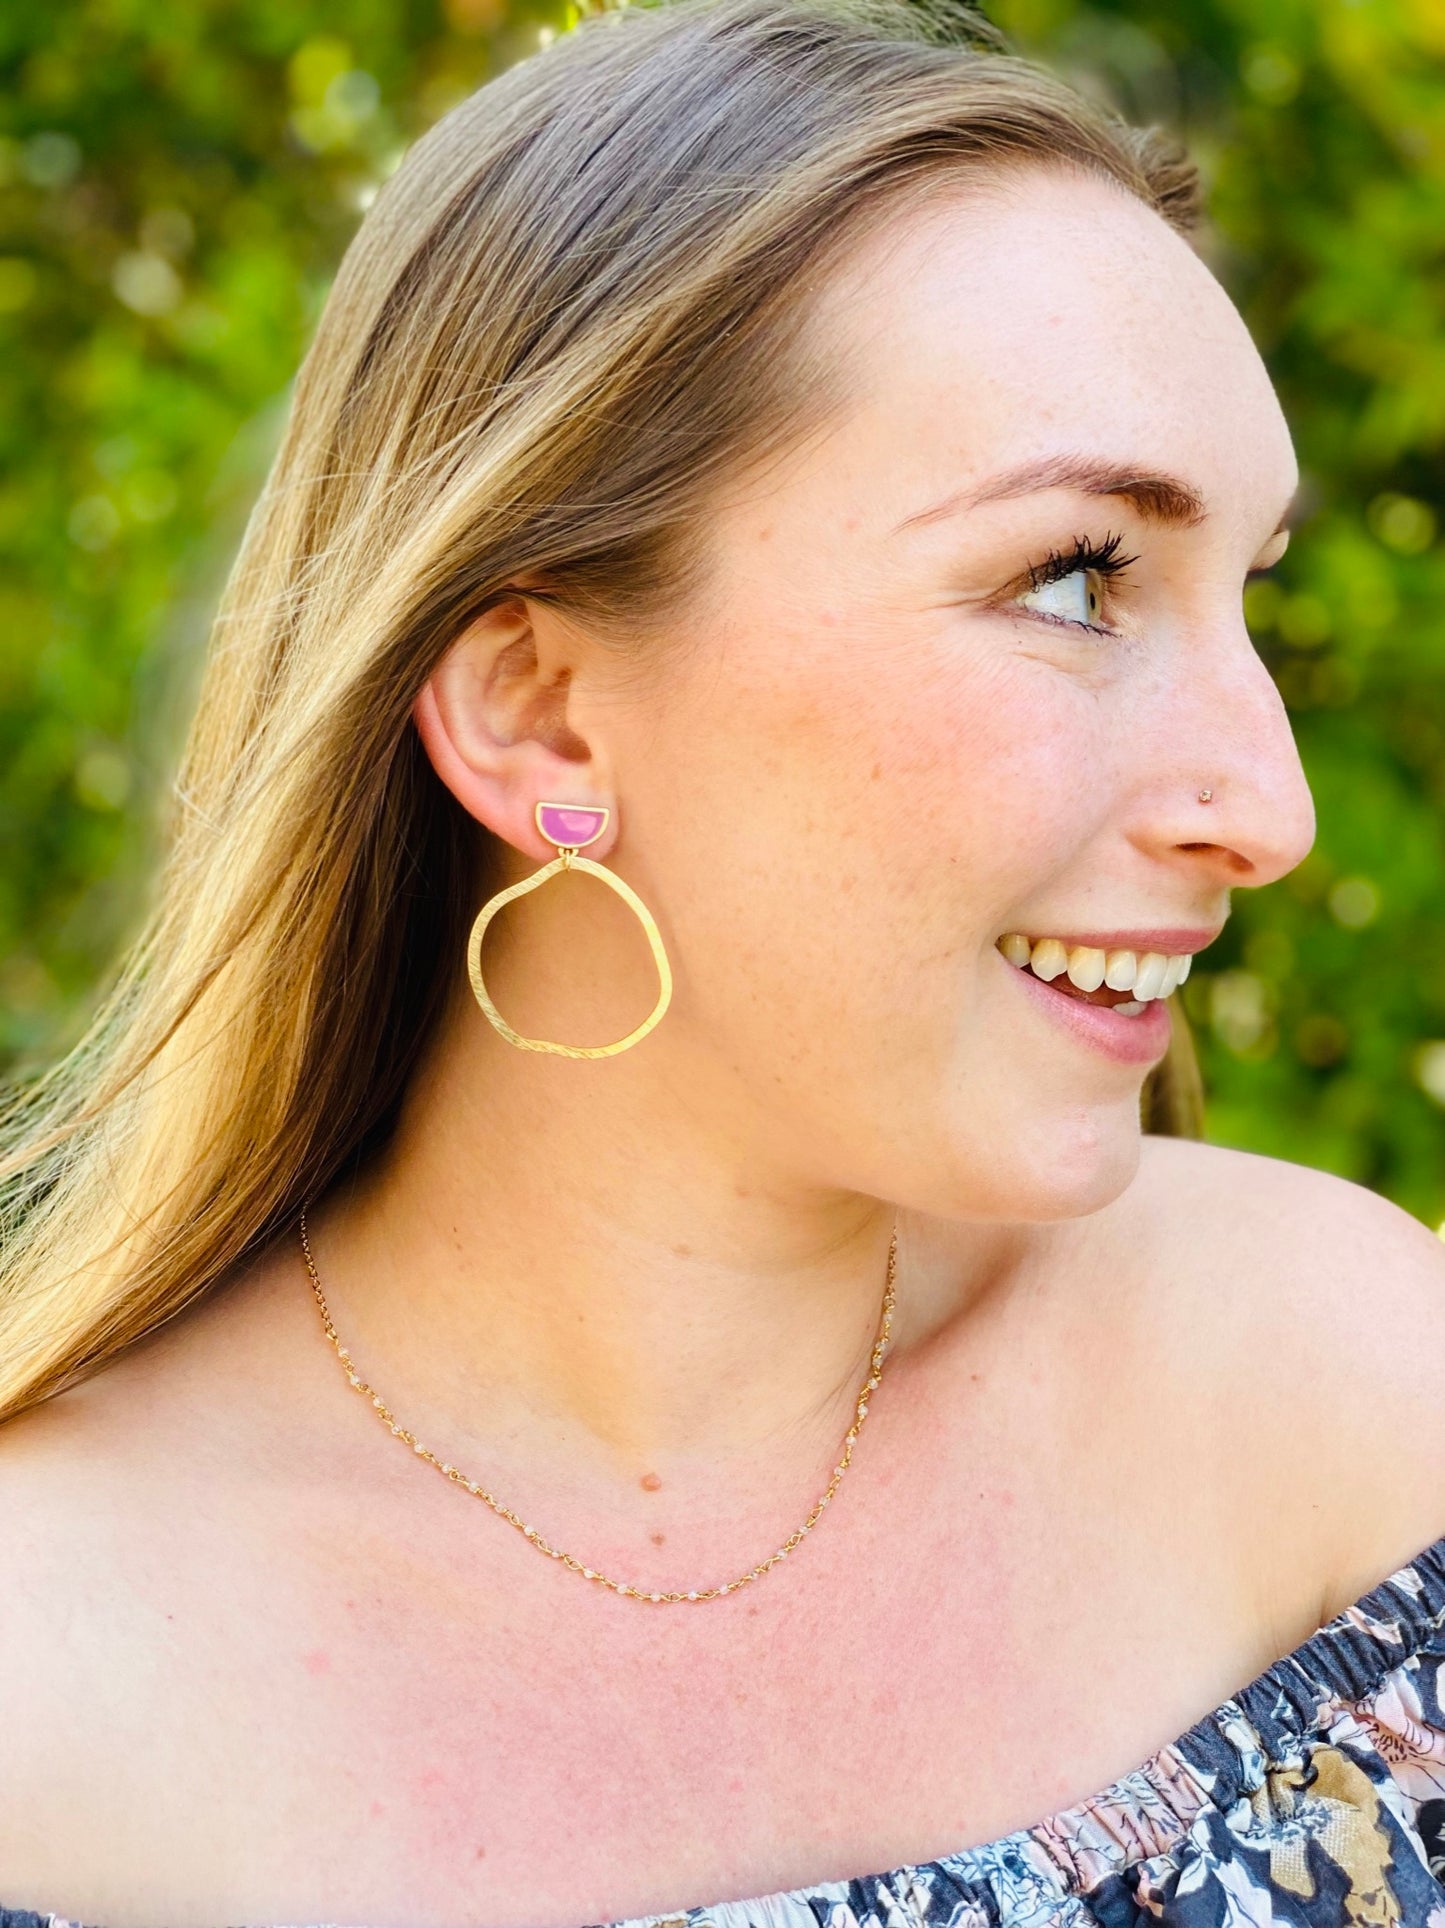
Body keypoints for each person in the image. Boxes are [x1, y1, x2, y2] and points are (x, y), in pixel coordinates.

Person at [3, 0, 1445, 1922]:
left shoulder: (1347, 1387)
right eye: (1079, 577)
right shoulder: (54, 1689)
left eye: (1241, 594)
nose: (1266, 809)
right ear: (543, 717)